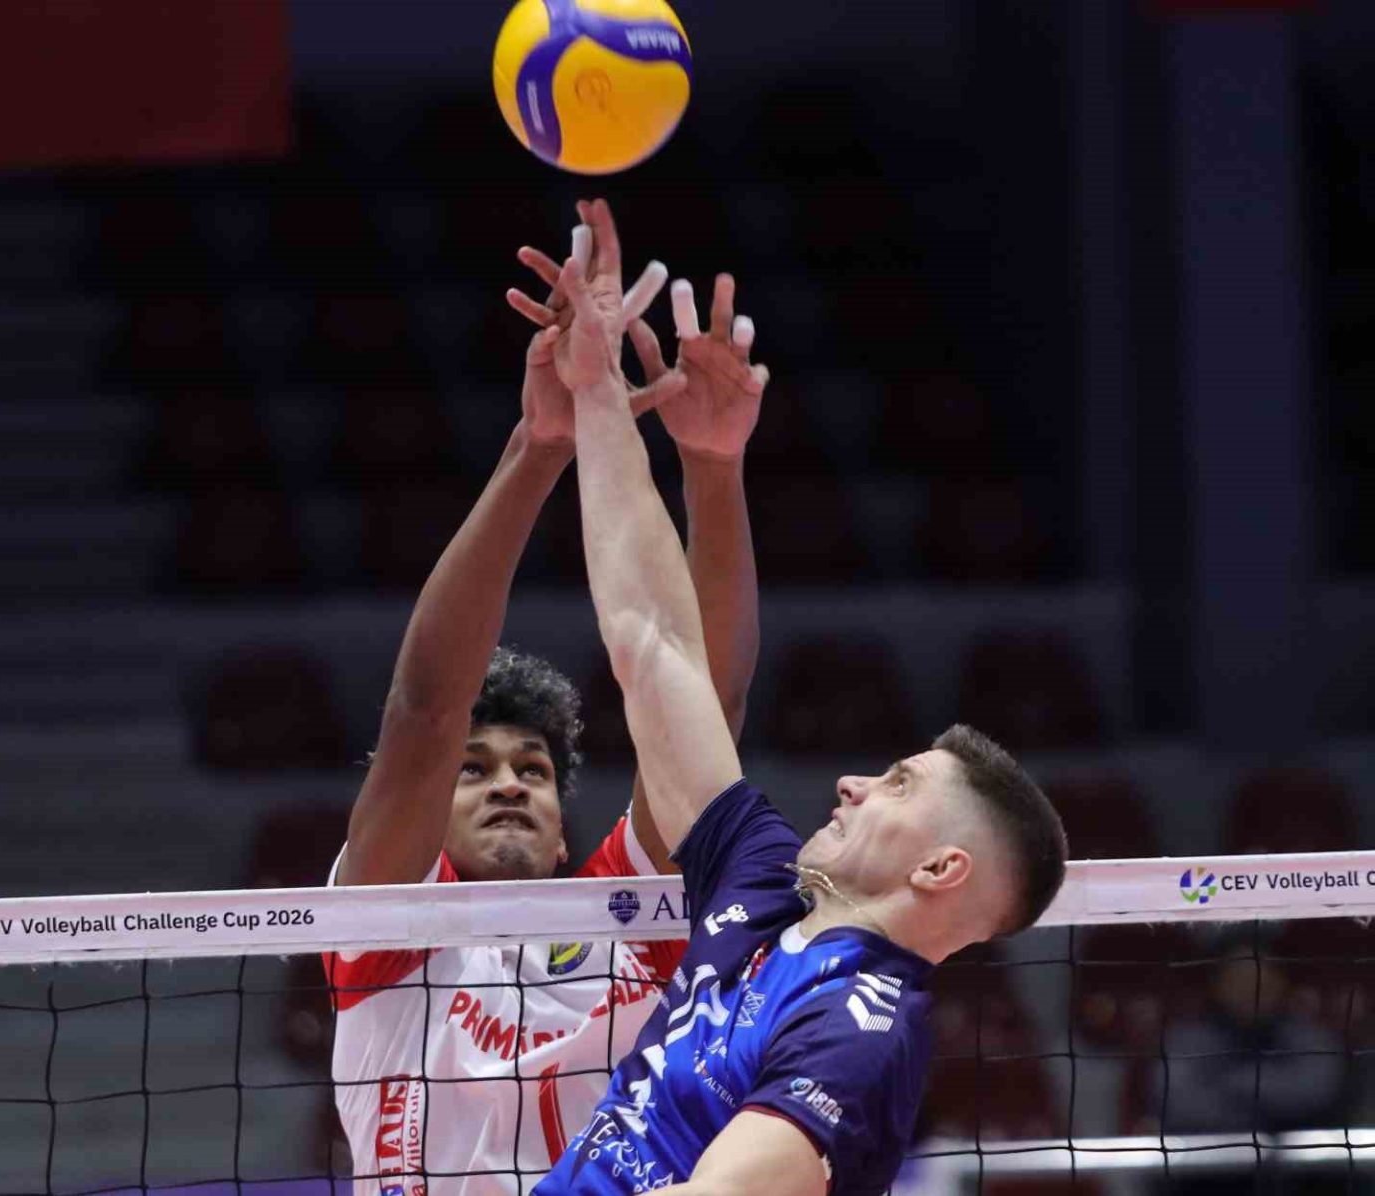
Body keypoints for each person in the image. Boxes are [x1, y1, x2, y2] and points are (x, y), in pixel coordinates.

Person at [528, 198, 1068, 1196]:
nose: (854, 782)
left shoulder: (860, 1027)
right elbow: (652, 645)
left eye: (899, 783)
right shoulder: (762, 885)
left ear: (941, 867)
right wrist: (596, 385)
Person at [324, 212, 769, 1194]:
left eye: (532, 769)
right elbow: (423, 715)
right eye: (476, 770)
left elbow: (709, 705)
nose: (508, 785)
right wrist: (540, 443)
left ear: (566, 827)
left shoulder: (629, 913)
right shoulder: (389, 941)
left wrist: (713, 466)